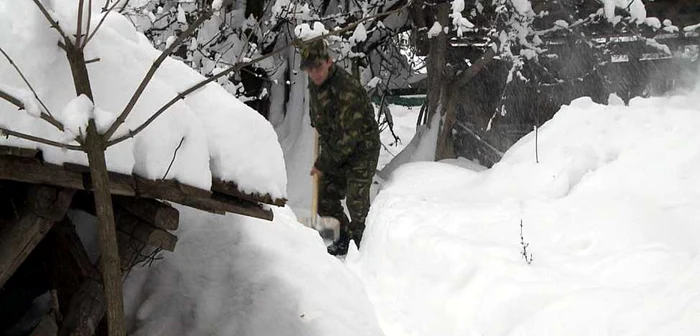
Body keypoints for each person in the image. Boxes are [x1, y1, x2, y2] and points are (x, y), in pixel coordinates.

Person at [300, 39, 380, 256]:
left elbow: (349, 136)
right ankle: (343, 239)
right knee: (325, 197)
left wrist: (322, 163)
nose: (314, 73)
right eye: (309, 69)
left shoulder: (346, 88)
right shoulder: (316, 83)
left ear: (329, 61)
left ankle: (364, 250)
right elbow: (320, 116)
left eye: (318, 67)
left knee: (357, 201)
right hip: (336, 148)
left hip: (362, 148)